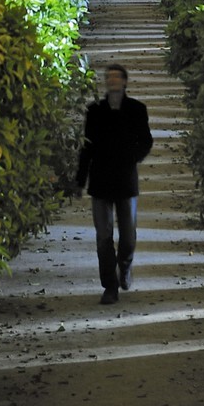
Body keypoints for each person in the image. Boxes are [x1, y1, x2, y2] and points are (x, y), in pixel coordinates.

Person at [74, 63, 153, 304]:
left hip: (126, 181)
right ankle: (110, 285)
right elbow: (86, 148)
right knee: (103, 238)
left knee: (128, 237)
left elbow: (146, 140)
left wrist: (133, 157)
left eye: (117, 77)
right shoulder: (95, 111)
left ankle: (125, 267)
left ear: (125, 81)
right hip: (100, 181)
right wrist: (80, 180)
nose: (113, 80)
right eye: (109, 77)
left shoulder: (136, 109)